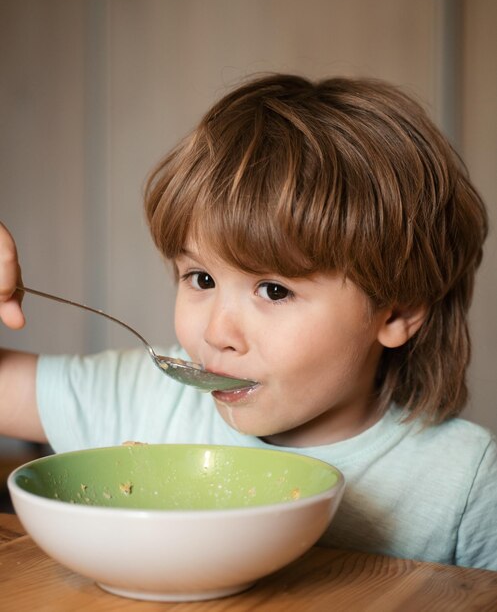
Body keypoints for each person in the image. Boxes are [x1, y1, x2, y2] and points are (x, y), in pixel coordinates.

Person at [1, 74, 496, 570]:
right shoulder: (144, 398)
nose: (216, 334)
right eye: (200, 279)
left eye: (274, 290)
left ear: (398, 311)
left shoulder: (466, 481)